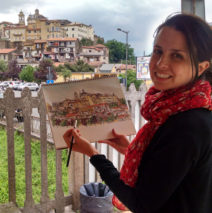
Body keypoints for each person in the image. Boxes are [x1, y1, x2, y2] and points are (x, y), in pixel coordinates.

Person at [63, 13, 212, 213]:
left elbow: (140, 203)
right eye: (158, 51)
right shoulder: (185, 109)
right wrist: (129, 148)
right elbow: (171, 169)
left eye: (177, 55)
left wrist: (93, 154)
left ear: (201, 67)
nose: (160, 64)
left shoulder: (188, 125)